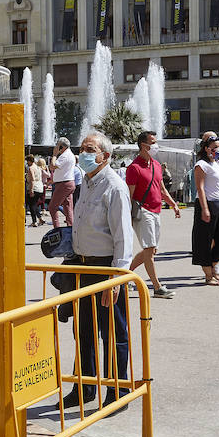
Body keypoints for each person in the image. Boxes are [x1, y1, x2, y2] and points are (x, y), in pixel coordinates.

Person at [60, 132, 134, 413]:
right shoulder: (86, 184)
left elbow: (123, 237)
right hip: (81, 266)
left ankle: (116, 390)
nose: (83, 154)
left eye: (90, 149)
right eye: (82, 148)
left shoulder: (114, 186)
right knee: (84, 330)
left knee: (113, 332)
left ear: (106, 156)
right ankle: (84, 387)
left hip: (105, 268)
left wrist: (116, 279)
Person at [125, 130, 182, 300]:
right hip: (143, 211)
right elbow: (130, 195)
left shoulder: (156, 165)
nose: (156, 145)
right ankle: (157, 287)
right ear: (144, 145)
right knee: (149, 249)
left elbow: (162, 189)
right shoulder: (133, 168)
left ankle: (124, 274)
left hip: (157, 210)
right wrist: (126, 217)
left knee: (151, 250)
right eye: (153, 142)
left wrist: (173, 205)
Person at [191, 135, 219, 286]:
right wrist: (204, 209)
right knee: (204, 240)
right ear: (206, 149)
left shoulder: (217, 164)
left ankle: (212, 264)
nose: (217, 150)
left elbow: (217, 185)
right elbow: (200, 188)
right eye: (214, 147)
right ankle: (208, 275)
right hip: (208, 205)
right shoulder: (201, 165)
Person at [48, 137, 76, 227]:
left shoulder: (65, 156)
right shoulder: (70, 154)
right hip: (68, 183)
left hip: (63, 184)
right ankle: (70, 228)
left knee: (52, 207)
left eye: (58, 145)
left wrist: (54, 155)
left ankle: (57, 229)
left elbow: (52, 166)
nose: (56, 147)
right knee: (68, 208)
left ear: (62, 147)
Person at [25, 157, 45, 227]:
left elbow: (32, 180)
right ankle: (40, 218)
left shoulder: (31, 168)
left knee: (31, 206)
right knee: (35, 204)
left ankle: (34, 221)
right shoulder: (38, 167)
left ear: (30, 161)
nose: (27, 163)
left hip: (34, 188)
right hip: (40, 188)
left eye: (27, 161)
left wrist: (31, 190)